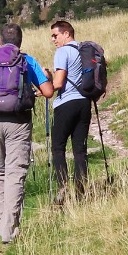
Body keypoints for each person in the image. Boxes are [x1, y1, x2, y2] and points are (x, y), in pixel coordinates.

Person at [0, 24, 53, 244]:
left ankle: (1, 224)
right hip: (18, 121)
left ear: (0, 41)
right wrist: (45, 78)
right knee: (15, 173)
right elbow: (48, 92)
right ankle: (9, 228)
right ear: (20, 41)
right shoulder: (26, 61)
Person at [49, 19, 99, 203]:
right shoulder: (83, 51)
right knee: (80, 149)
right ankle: (81, 190)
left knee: (58, 147)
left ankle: (63, 189)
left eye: (55, 35)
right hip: (84, 102)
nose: (53, 39)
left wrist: (45, 86)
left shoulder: (63, 52)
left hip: (66, 103)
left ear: (66, 33)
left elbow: (59, 82)